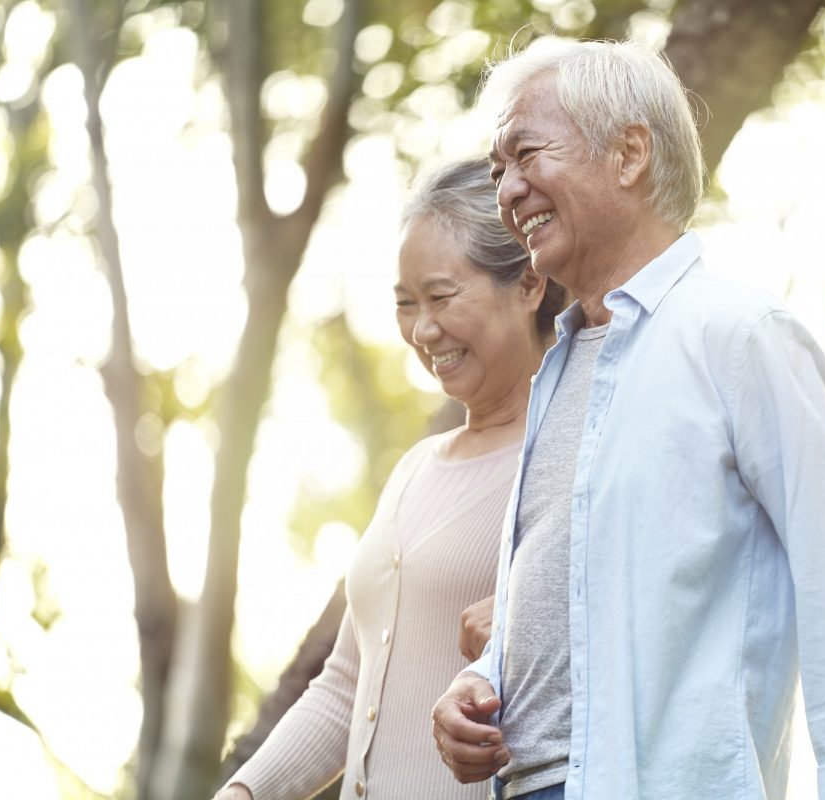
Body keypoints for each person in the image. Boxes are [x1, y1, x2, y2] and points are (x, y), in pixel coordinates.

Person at [431, 38, 825, 799]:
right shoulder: (556, 367)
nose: (508, 192)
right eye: (497, 173)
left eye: (525, 156)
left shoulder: (740, 334)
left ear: (628, 154)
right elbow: (581, 596)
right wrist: (482, 680)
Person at [213, 158, 564, 800]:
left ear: (530, 283)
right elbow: (347, 683)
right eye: (406, 304)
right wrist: (245, 792)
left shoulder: (563, 464)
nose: (423, 330)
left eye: (441, 296)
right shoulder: (414, 470)